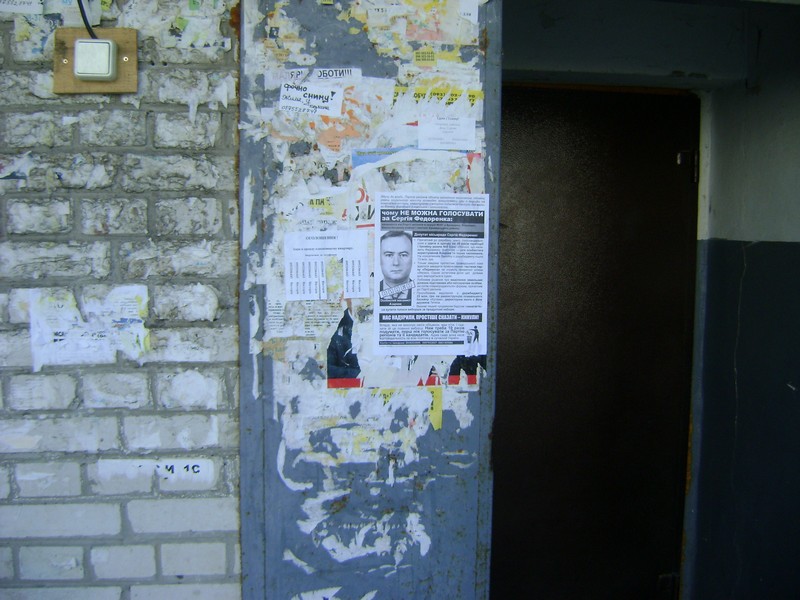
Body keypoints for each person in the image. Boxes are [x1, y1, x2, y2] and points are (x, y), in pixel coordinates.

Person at [378, 230, 414, 306]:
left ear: (413, 258)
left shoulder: (422, 291)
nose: (396, 263)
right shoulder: (372, 290)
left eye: (403, 255)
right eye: (389, 255)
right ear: (379, 258)